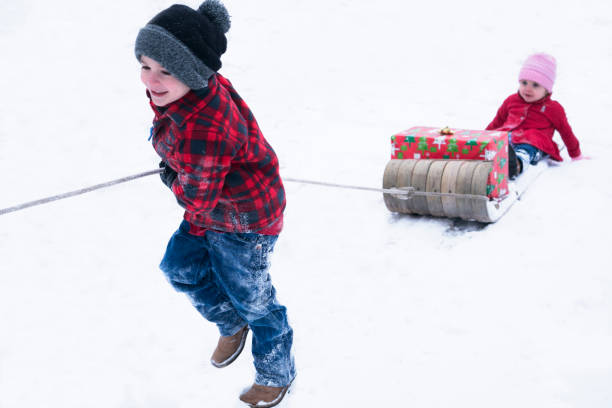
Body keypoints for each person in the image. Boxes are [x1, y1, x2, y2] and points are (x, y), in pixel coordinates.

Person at [134, 1, 295, 406]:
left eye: (165, 70)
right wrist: (178, 163)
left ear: (191, 72)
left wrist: (174, 176)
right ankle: (230, 322)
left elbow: (198, 197)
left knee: (255, 300)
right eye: (145, 64)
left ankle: (275, 374)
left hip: (245, 220)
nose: (150, 79)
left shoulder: (204, 127)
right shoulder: (194, 84)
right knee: (179, 266)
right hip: (214, 210)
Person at [486, 53, 587, 179]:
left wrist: (575, 154)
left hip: (535, 142)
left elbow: (566, 132)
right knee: (500, 139)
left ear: (547, 89)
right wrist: (484, 139)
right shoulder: (511, 101)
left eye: (535, 85)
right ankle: (487, 155)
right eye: (524, 82)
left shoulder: (553, 108)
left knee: (527, 149)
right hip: (509, 136)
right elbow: (497, 122)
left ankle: (516, 164)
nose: (528, 89)